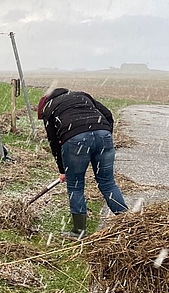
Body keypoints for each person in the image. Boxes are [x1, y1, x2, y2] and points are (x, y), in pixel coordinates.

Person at [37, 88, 127, 239]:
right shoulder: (82, 95)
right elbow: (108, 115)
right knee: (108, 183)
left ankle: (79, 232)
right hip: (103, 135)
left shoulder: (50, 108)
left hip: (75, 140)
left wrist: (62, 170)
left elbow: (54, 142)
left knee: (75, 185)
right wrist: (105, 134)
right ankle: (128, 223)